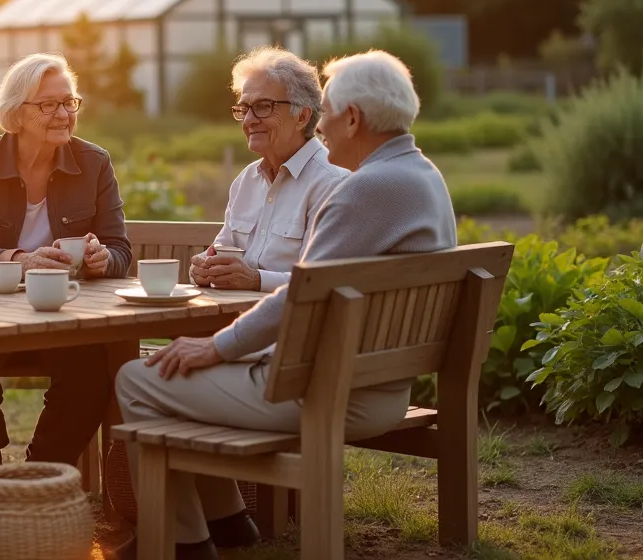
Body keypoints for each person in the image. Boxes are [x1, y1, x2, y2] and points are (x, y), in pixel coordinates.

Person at [106, 50, 458, 560]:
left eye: (328, 113)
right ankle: (227, 523)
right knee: (174, 371)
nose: (324, 126)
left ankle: (181, 542)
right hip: (371, 381)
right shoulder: (423, 176)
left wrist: (217, 348)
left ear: (352, 117)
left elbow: (301, 293)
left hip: (331, 392)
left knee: (136, 379)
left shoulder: (363, 189)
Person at [0, 52, 132, 468]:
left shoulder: (94, 163)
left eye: (69, 102)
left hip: (64, 318)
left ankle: (39, 473)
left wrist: (103, 259)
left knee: (91, 370)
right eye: (48, 104)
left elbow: (121, 251)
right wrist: (21, 261)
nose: (64, 113)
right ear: (16, 113)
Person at [190, 47, 347, 302]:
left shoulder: (332, 183)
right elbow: (218, 251)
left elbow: (319, 279)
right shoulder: (245, 181)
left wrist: (255, 280)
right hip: (229, 321)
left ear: (302, 116)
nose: (249, 120)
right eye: (244, 109)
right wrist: (204, 267)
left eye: (263, 106)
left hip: (290, 331)